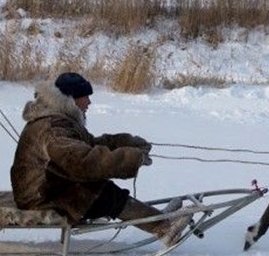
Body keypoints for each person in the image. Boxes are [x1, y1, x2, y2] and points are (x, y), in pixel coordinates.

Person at [10, 72, 189, 244]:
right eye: (84, 97)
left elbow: (88, 145)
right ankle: (164, 228)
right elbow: (82, 161)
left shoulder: (58, 120)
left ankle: (155, 218)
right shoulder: (53, 128)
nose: (89, 102)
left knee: (101, 191)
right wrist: (132, 158)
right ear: (70, 99)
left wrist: (126, 143)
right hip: (42, 197)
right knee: (103, 194)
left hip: (47, 187)